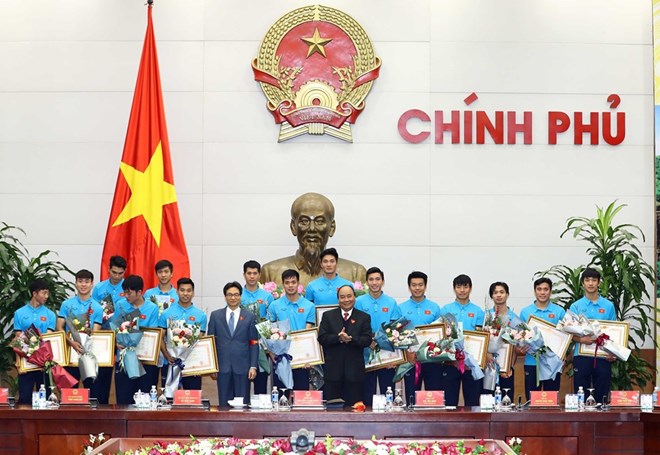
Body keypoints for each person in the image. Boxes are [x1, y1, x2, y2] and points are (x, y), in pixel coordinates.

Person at [261, 192, 366, 286]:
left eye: (319, 221)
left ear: (332, 228)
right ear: (293, 227)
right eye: (304, 221)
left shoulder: (355, 273)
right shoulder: (271, 273)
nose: (312, 229)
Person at [318, 284, 372, 406]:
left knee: (355, 411)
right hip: (333, 373)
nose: (346, 300)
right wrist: (338, 338)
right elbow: (322, 338)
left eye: (349, 296)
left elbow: (367, 339)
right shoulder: (328, 316)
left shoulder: (364, 317)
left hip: (355, 375)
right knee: (333, 411)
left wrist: (351, 339)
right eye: (342, 297)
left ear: (354, 297)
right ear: (338, 299)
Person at [355, 266, 402, 406]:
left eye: (377, 279)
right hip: (365, 355)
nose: (374, 282)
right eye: (371, 279)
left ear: (382, 281)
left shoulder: (391, 302)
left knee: (388, 392)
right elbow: (355, 326)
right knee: (366, 394)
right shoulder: (359, 301)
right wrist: (367, 340)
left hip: (387, 356)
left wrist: (396, 357)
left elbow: (397, 329)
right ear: (367, 282)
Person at [570, 268, 617, 404]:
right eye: (587, 280)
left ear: (599, 283)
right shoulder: (575, 306)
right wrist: (581, 339)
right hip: (581, 355)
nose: (590, 283)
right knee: (580, 391)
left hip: (603, 355)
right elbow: (570, 334)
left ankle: (601, 417)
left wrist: (612, 352)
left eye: (594, 280)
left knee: (602, 390)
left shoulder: (608, 306)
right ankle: (580, 418)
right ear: (582, 283)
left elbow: (613, 332)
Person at [112, 275, 160, 404]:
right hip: (124, 358)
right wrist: (115, 342)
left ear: (139, 292)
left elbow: (152, 334)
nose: (126, 296)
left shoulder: (152, 308)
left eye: (129, 293)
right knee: (123, 397)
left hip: (144, 360)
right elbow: (115, 328)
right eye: (125, 292)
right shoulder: (120, 305)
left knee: (144, 398)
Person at [208, 282, 258, 406]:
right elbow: (211, 342)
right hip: (222, 367)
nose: (233, 298)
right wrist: (212, 366)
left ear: (240, 296)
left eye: (236, 295)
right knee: (224, 405)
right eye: (230, 295)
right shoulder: (215, 316)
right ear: (225, 296)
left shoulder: (249, 317)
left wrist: (253, 366)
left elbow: (254, 342)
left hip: (243, 367)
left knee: (242, 405)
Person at [438, 274, 485, 406]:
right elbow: (442, 336)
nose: (462, 290)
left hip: (471, 363)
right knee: (449, 403)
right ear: (454, 289)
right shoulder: (446, 310)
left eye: (465, 286)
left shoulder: (478, 311)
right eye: (459, 287)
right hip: (450, 362)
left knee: (473, 403)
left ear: (470, 288)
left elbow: (480, 336)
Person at [398, 271, 441, 404]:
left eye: (420, 285)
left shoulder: (434, 307)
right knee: (411, 398)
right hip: (411, 359)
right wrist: (407, 353)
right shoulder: (401, 308)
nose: (417, 288)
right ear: (409, 286)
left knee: (433, 398)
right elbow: (398, 335)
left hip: (431, 359)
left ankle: (433, 423)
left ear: (425, 286)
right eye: (414, 285)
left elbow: (440, 333)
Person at [56, 269, 103, 391]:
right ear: (75, 283)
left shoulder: (97, 307)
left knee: (92, 392)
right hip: (70, 352)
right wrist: (71, 342)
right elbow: (59, 327)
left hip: (89, 354)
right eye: (80, 281)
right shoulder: (66, 304)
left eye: (87, 282)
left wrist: (85, 345)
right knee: (69, 392)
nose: (83, 284)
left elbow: (96, 332)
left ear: (92, 284)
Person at [519, 277, 566, 400]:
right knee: (532, 401)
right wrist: (521, 345)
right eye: (539, 289)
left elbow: (564, 337)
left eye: (546, 289)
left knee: (551, 400)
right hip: (532, 362)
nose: (542, 292)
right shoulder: (525, 312)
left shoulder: (559, 311)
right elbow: (521, 335)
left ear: (550, 291)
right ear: (535, 291)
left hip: (553, 363)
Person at [159, 277, 207, 395]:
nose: (186, 293)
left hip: (192, 366)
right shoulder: (166, 313)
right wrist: (167, 355)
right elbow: (160, 337)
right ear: (177, 291)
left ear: (193, 293)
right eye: (182, 290)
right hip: (170, 364)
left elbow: (200, 341)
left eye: (189, 290)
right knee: (169, 400)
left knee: (192, 400)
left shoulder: (200, 315)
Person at [268, 269, 315, 392]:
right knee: (280, 396)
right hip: (281, 357)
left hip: (300, 358)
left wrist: (308, 358)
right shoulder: (274, 305)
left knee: (300, 396)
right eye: (287, 282)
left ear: (298, 283)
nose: (290, 285)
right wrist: (271, 352)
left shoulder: (309, 306)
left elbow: (308, 333)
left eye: (293, 282)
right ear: (283, 284)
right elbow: (269, 331)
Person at [13, 279, 57, 404]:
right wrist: (18, 362)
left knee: (46, 398)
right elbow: (18, 338)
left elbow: (48, 337)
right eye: (44, 293)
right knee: (24, 397)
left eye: (48, 293)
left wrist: (45, 359)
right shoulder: (19, 313)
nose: (46, 296)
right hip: (26, 362)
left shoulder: (50, 314)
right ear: (34, 293)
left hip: (44, 363)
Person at [91, 255, 126, 404]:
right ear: (108, 270)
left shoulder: (127, 287)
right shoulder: (99, 288)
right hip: (103, 335)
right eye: (114, 272)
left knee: (123, 371)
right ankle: (101, 404)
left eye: (120, 273)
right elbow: (92, 309)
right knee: (102, 371)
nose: (117, 276)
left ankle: (124, 404)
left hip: (123, 336)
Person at [482, 281, 523, 400]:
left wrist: (509, 366)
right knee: (487, 403)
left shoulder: (514, 319)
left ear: (507, 294)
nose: (498, 295)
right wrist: (487, 353)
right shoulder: (485, 316)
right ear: (491, 296)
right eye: (495, 293)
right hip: (488, 366)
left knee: (506, 402)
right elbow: (481, 341)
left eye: (502, 292)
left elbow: (516, 346)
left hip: (507, 368)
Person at [240, 260, 274, 395]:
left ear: (260, 275)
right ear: (244, 275)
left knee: (261, 389)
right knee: (242, 388)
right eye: (249, 273)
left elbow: (271, 322)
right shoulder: (238, 295)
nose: (252, 276)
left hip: (261, 347)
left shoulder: (268, 296)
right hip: (242, 346)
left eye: (255, 273)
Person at [143, 259, 179, 387]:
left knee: (168, 387)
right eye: (160, 272)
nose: (163, 275)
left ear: (171, 274)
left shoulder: (178, 294)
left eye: (166, 271)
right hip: (150, 345)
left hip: (171, 345)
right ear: (156, 274)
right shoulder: (148, 294)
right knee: (148, 384)